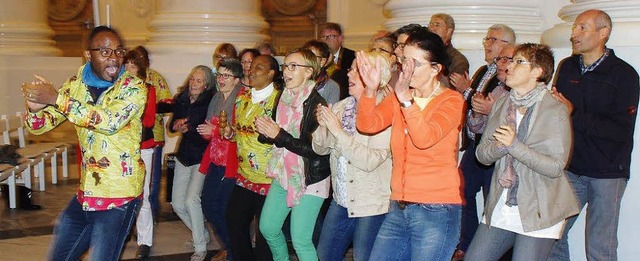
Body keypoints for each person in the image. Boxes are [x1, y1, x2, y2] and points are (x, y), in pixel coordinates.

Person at [22, 26, 146, 260]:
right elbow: (40, 126)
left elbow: (109, 121)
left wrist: (56, 98)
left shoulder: (134, 88)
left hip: (119, 196)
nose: (114, 59)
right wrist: (34, 109)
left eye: (119, 52)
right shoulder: (74, 86)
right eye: (105, 52)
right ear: (88, 55)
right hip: (87, 193)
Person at [464, 43, 580, 260]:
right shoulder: (501, 105)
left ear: (538, 72)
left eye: (518, 62)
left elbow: (556, 166)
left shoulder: (554, 110)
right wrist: (499, 147)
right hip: (502, 204)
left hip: (538, 206)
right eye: (510, 60)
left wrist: (514, 146)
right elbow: (482, 155)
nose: (509, 66)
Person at [356, 27, 464, 260]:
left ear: (436, 68)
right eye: (405, 61)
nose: (407, 68)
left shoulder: (452, 100)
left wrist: (406, 100)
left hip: (436, 209)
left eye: (416, 63)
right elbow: (368, 124)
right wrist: (370, 90)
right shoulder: (400, 96)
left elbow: (424, 139)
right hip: (399, 207)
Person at [549, 9, 640, 261]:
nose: (573, 34)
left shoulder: (624, 74)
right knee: (551, 233)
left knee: (600, 246)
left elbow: (621, 130)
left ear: (603, 33)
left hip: (607, 173)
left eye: (582, 28)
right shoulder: (566, 67)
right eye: (574, 27)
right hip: (570, 168)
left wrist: (572, 113)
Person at [313, 52, 393, 261]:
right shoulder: (342, 106)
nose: (349, 74)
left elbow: (370, 161)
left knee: (364, 257)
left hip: (371, 202)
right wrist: (323, 128)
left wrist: (337, 131)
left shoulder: (385, 110)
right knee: (325, 255)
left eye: (357, 70)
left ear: (377, 76)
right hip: (342, 198)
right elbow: (320, 149)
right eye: (351, 69)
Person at [256, 49, 330, 261]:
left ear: (308, 72)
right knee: (268, 227)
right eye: (285, 66)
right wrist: (266, 133)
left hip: (311, 177)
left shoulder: (318, 105)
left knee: (301, 240)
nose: (286, 71)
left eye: (293, 66)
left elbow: (316, 152)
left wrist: (278, 135)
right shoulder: (283, 97)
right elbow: (278, 135)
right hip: (284, 172)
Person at [451, 23, 516, 259]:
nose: (487, 44)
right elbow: (476, 115)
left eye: (493, 40)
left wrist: (471, 95)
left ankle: (494, 252)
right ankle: (467, 243)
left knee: (494, 203)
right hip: (476, 145)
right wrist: (478, 113)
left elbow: (510, 119)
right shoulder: (483, 71)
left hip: (499, 151)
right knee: (461, 192)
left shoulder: (514, 84)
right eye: (487, 39)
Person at [224, 55, 281, 261]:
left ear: (271, 73)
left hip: (269, 178)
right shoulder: (242, 97)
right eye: (251, 66)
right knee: (234, 220)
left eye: (259, 67)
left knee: (265, 233)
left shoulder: (279, 99)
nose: (252, 70)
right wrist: (229, 133)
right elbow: (240, 131)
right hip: (245, 176)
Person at [197, 58, 245, 261]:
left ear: (236, 80)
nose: (221, 79)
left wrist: (214, 130)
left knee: (224, 208)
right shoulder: (217, 98)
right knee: (208, 204)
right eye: (220, 75)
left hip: (234, 162)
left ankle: (234, 251)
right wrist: (206, 132)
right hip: (216, 160)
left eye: (226, 76)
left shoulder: (243, 98)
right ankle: (231, 245)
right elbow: (209, 125)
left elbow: (241, 131)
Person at [169, 65, 216, 261]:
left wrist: (188, 130)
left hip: (202, 156)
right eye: (192, 80)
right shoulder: (182, 99)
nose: (194, 84)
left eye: (199, 81)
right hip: (184, 155)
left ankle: (200, 246)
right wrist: (176, 125)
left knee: (191, 200)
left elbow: (206, 137)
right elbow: (171, 126)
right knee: (178, 204)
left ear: (206, 85)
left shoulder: (210, 102)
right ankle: (202, 234)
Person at [123, 48, 159, 259]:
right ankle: (125, 231)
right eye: (126, 64)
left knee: (143, 194)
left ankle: (145, 241)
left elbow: (148, 121)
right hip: (121, 149)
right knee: (123, 194)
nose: (128, 68)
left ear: (141, 68)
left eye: (133, 65)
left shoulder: (147, 90)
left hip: (142, 146)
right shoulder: (116, 88)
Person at [132, 46, 172, 225]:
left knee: (152, 181)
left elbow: (167, 104)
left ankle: (152, 214)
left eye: (141, 58)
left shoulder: (155, 78)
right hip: (131, 138)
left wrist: (151, 107)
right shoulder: (124, 78)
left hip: (153, 135)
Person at [428, 13, 470, 88]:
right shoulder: (423, 52)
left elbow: (453, 88)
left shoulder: (459, 60)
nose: (431, 28)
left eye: (437, 25)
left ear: (449, 31)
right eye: (430, 24)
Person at [321, 22, 356, 100]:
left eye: (331, 36)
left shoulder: (352, 57)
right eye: (323, 37)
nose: (326, 40)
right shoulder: (318, 57)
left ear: (341, 39)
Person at [302, 40, 340, 104]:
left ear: (322, 61)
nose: (306, 60)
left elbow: (330, 112)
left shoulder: (331, 87)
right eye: (304, 56)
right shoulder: (296, 80)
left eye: (311, 56)